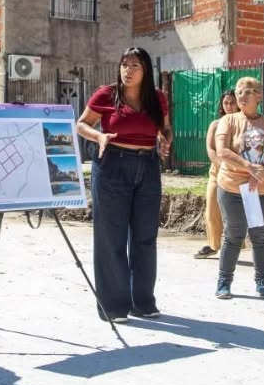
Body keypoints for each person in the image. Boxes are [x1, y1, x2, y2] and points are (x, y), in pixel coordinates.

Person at [77, 47, 172, 323]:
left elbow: (165, 128)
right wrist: (99, 137)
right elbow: (82, 124)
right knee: (111, 237)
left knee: (145, 237)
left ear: (146, 72)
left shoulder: (157, 99)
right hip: (113, 166)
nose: (127, 70)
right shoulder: (106, 94)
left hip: (148, 167)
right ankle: (114, 306)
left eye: (134, 66)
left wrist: (166, 139)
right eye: (124, 65)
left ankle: (142, 302)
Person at [213, 77, 264, 299]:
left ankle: (263, 282)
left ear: (259, 96)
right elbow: (222, 151)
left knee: (261, 236)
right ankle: (224, 281)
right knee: (234, 234)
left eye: (247, 91)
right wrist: (250, 168)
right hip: (233, 188)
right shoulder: (229, 121)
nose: (241, 96)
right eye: (238, 92)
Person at [194, 90, 238, 259]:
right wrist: (221, 165)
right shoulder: (216, 124)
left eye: (232, 102)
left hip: (238, 175)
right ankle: (213, 244)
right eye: (226, 103)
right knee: (212, 207)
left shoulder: (243, 123)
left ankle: (238, 243)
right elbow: (210, 149)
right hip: (217, 173)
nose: (229, 106)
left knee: (237, 212)